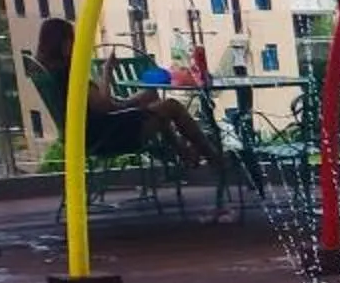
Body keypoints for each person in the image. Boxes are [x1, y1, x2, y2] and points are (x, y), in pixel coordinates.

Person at [34, 16, 219, 171]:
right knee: (172, 107)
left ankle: (185, 154)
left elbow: (99, 106)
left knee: (152, 98)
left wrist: (130, 102)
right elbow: (105, 106)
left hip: (90, 134)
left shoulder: (52, 74)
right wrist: (107, 72)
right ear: (65, 45)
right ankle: (213, 159)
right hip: (107, 136)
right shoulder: (70, 75)